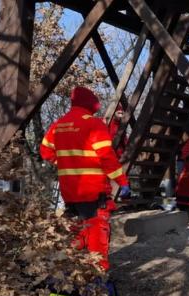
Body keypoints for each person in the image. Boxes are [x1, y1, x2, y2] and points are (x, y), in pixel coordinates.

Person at [40, 86, 131, 271]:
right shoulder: (93, 124)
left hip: (70, 193)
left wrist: (65, 163)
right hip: (94, 193)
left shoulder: (58, 124)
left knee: (76, 235)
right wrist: (122, 182)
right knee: (97, 238)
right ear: (92, 104)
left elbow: (45, 151)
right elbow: (107, 157)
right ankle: (98, 283)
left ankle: (71, 277)